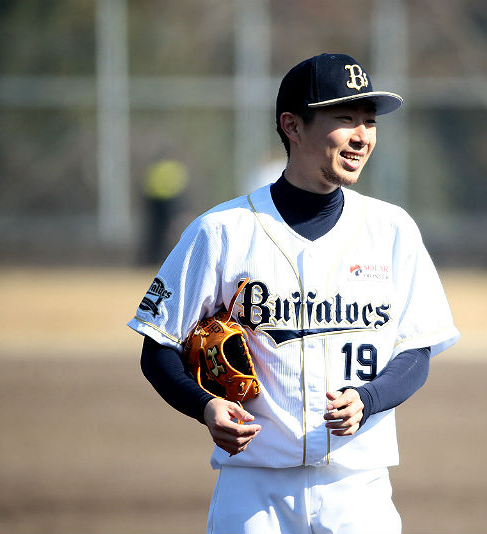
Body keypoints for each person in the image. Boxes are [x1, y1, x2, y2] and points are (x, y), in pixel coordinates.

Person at [128, 53, 460, 534]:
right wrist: (204, 405)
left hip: (358, 489)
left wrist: (369, 398)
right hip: (252, 491)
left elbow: (416, 350)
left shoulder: (392, 231)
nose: (362, 136)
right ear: (292, 125)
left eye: (369, 121)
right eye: (345, 119)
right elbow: (157, 344)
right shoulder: (222, 231)